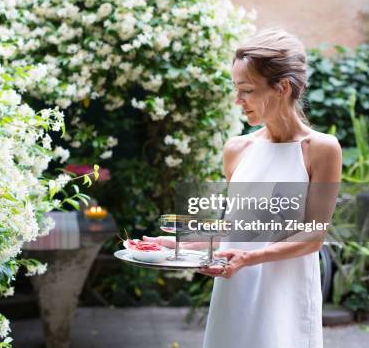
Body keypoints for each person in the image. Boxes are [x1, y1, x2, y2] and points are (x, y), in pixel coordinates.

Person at [144, 28, 342, 348]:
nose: (238, 101)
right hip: (235, 289)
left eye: (246, 90)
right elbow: (237, 232)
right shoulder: (237, 149)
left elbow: (312, 236)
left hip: (285, 298)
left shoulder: (321, 149)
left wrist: (248, 258)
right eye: (236, 89)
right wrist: (175, 245)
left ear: (282, 88)